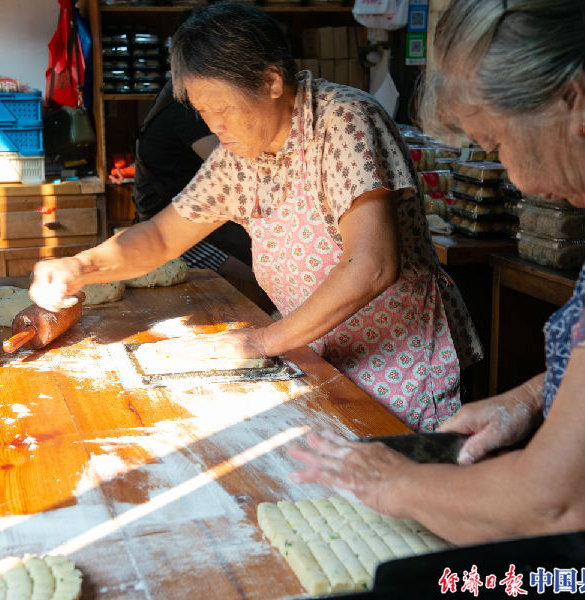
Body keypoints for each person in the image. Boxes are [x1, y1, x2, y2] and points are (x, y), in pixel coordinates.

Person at [289, 0, 585, 545]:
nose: (518, 181)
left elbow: (563, 503)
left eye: (500, 146)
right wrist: (536, 396)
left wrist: (394, 482)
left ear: (575, 97)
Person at [30, 2, 482, 432]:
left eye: (223, 108)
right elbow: (161, 238)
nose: (214, 126)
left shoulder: (344, 122)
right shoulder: (240, 156)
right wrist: (80, 267)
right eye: (203, 112)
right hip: (318, 354)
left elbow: (372, 265)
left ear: (271, 82)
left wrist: (262, 341)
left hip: (401, 366)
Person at [133, 79, 256, 287]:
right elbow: (235, 169)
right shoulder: (185, 111)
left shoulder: (173, 100)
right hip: (175, 233)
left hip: (165, 221)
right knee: (268, 266)